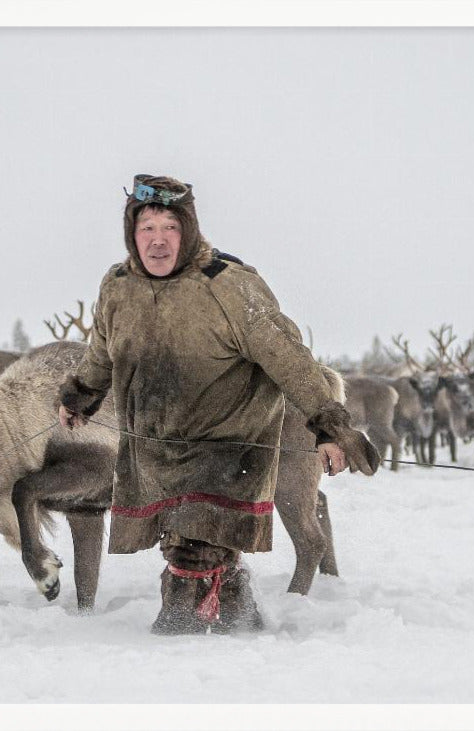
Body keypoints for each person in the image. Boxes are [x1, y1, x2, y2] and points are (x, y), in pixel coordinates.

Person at [57, 174, 379, 635]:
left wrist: (330, 430)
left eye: (170, 227)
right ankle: (235, 612)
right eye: (146, 228)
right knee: (189, 546)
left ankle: (182, 640)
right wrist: (81, 397)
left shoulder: (229, 286)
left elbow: (291, 361)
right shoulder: (118, 287)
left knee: (194, 552)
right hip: (155, 453)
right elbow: (102, 354)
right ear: (132, 233)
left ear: (188, 230)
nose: (158, 241)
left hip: (229, 452)